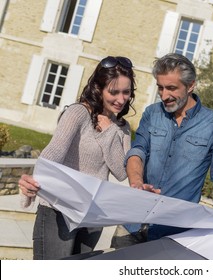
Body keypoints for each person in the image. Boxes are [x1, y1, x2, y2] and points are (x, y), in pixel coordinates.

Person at [111, 53, 213, 247]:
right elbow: (137, 152)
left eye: (171, 88)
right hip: (132, 224)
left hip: (173, 234)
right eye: (160, 87)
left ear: (191, 85)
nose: (164, 95)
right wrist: (136, 184)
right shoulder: (152, 113)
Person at [18, 56, 136, 259]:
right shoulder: (78, 112)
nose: (121, 99)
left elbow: (120, 169)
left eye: (126, 92)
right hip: (59, 208)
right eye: (114, 92)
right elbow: (54, 152)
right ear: (99, 88)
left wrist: (109, 128)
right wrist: (32, 182)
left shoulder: (122, 128)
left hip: (92, 214)